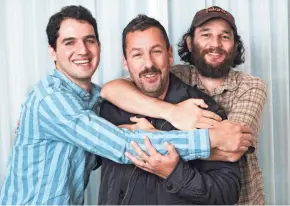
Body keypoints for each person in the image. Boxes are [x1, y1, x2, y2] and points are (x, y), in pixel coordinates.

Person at [0, 5, 253, 205]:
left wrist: (177, 169)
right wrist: (211, 142)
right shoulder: (59, 103)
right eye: (69, 42)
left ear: (169, 55)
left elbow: (227, 191)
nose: (83, 50)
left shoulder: (202, 112)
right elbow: (120, 145)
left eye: (89, 40)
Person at [101, 6, 267, 205]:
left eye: (224, 36)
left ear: (169, 56)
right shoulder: (125, 97)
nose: (149, 63)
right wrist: (173, 113)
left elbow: (232, 145)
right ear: (190, 43)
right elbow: (110, 89)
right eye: (206, 35)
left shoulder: (235, 95)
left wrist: (154, 141)